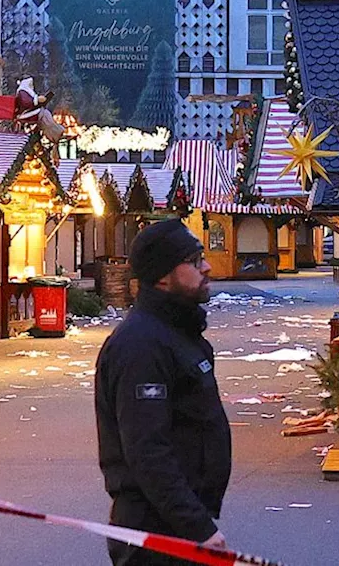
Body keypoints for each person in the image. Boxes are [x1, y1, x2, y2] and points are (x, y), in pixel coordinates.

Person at [94, 219, 231, 565]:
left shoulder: (179, 334)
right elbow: (147, 451)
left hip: (177, 522)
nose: (207, 266)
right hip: (154, 531)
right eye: (194, 259)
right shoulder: (141, 345)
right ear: (162, 276)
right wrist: (198, 527)